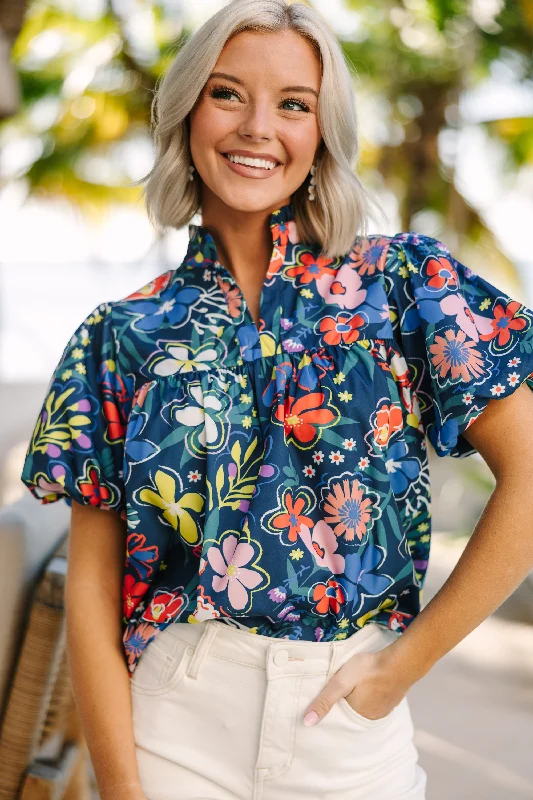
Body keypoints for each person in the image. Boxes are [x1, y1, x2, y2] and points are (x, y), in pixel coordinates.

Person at [20, 1, 533, 798]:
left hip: (350, 728)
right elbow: (91, 587)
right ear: (188, 111)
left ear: (321, 131)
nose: (258, 126)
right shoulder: (120, 335)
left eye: (293, 104)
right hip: (177, 724)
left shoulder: (406, 285)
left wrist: (403, 665)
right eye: (227, 94)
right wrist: (122, 790)